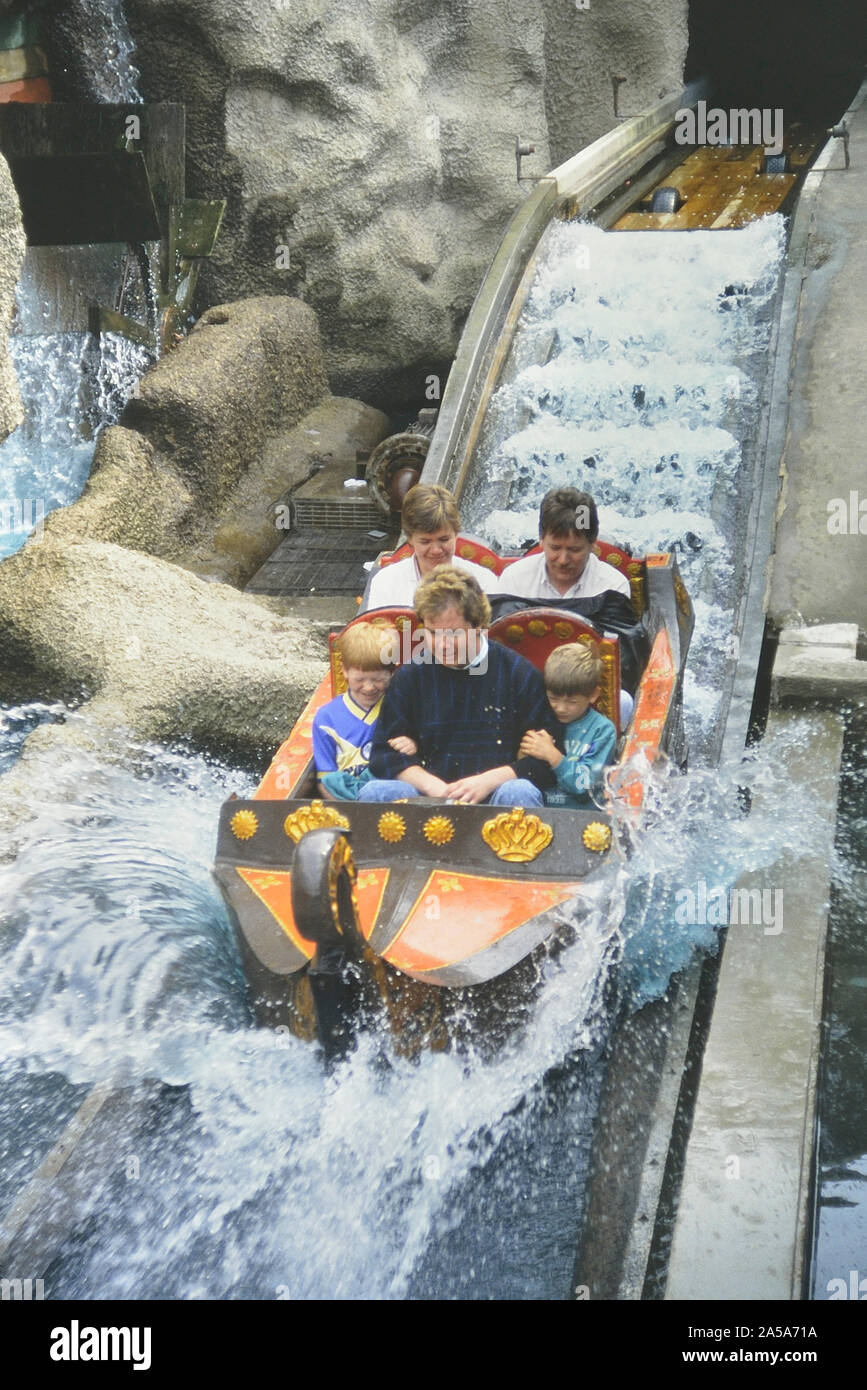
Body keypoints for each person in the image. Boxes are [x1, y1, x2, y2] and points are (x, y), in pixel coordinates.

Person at [358, 566, 558, 807]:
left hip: (496, 796)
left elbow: (545, 762)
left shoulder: (519, 674)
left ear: (479, 627)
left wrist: (488, 781)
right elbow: (382, 755)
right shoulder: (410, 677)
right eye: (433, 634)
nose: (443, 645)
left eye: (454, 634)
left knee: (520, 791)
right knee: (375, 791)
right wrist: (434, 787)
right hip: (429, 796)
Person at [312, 624, 417, 800]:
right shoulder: (326, 718)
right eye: (360, 679)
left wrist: (413, 744)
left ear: (392, 672)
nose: (368, 688)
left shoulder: (403, 706)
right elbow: (324, 781)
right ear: (344, 671)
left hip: (394, 794)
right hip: (350, 799)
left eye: (377, 680)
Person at [362, 483, 498, 611]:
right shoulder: (386, 581)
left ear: (456, 534)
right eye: (425, 542)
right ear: (410, 539)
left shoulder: (483, 581)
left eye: (444, 539)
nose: (436, 550)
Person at [518, 643, 617, 809]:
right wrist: (523, 754)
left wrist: (553, 756)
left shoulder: (602, 730)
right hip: (538, 812)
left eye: (572, 702)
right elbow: (522, 771)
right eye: (553, 698)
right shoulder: (539, 718)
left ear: (593, 695)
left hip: (582, 819)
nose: (561, 708)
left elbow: (585, 785)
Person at [496, 487, 631, 602]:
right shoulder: (514, 579)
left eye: (575, 549)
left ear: (592, 544)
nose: (563, 560)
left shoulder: (613, 587)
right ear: (541, 540)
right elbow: (490, 632)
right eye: (555, 548)